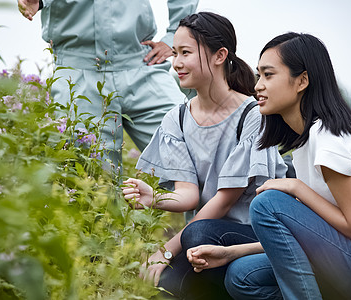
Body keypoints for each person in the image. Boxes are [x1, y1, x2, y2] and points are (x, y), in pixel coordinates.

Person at [186, 32, 351, 299]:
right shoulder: (308, 142)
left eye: (268, 75)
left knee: (267, 204)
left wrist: (296, 187)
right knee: (242, 274)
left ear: (302, 81)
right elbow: (312, 235)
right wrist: (231, 252)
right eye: (258, 75)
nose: (257, 86)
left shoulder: (329, 140)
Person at [121, 12, 288, 299]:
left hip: (253, 234)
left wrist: (165, 250)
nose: (176, 63)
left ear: (219, 55)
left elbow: (224, 201)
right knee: (165, 288)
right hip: (205, 234)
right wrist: (154, 198)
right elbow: (189, 195)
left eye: (185, 53)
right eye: (174, 53)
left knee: (195, 236)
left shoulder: (252, 115)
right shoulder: (178, 118)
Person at [17, 0, 198, 167]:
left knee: (193, 148)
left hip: (142, 63)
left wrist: (174, 35)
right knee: (91, 183)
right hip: (77, 73)